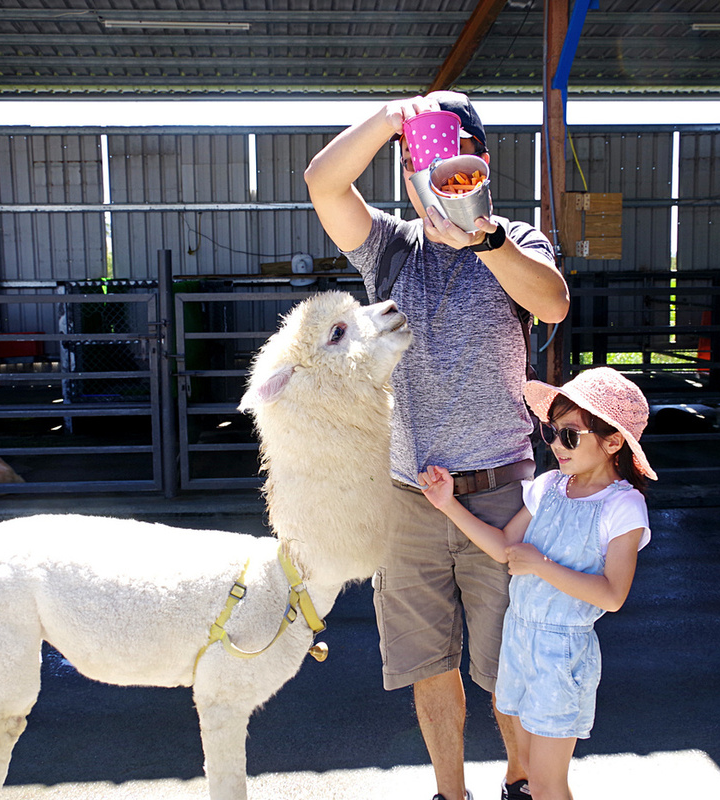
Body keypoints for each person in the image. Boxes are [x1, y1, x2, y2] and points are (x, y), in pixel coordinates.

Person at [304, 91, 569, 800]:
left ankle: (521, 783)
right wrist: (392, 119)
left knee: (508, 666)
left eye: (456, 163)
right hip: (410, 497)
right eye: (424, 163)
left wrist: (482, 241)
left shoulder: (517, 240)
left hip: (502, 496)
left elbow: (551, 303)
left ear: (481, 163)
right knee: (429, 664)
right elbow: (323, 183)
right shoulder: (390, 247)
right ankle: (450, 793)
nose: (444, 181)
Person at [417, 368, 657, 800]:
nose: (555, 445)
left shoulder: (623, 506)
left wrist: (541, 565)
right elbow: (505, 547)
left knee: (547, 785)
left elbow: (612, 595)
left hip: (562, 655)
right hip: (520, 643)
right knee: (530, 773)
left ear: (613, 441)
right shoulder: (548, 488)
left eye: (569, 435)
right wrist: (447, 503)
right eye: (550, 432)